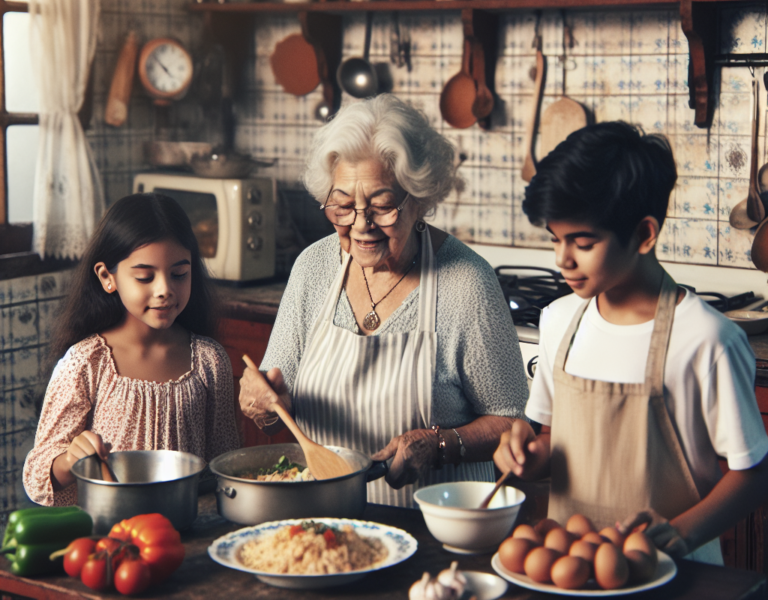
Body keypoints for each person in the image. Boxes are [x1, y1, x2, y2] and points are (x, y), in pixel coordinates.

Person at [493, 121, 768, 564]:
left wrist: (681, 533)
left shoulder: (708, 340)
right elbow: (555, 443)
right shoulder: (559, 322)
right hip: (574, 574)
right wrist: (527, 455)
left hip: (677, 575)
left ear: (644, 234)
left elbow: (754, 476)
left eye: (583, 243)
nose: (562, 259)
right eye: (556, 239)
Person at [239, 94, 528, 506]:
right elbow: (275, 408)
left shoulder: (466, 282)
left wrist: (440, 444)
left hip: (439, 522)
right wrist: (264, 405)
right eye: (342, 205)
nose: (361, 224)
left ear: (419, 199)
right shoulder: (312, 268)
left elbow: (512, 423)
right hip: (328, 519)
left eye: (382, 206)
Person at [24, 193, 239, 506]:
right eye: (144, 277)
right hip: (113, 531)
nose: (164, 289)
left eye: (179, 274)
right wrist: (70, 460)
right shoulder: (86, 363)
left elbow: (226, 465)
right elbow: (37, 475)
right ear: (107, 277)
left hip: (188, 529)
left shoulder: (210, 361)